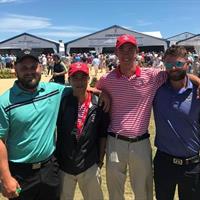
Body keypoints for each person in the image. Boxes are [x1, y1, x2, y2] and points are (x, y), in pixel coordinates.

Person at [96, 34, 167, 200]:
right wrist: (101, 92)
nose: (126, 54)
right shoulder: (107, 79)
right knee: (115, 191)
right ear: (116, 52)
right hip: (115, 141)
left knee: (143, 190)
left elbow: (178, 74)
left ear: (137, 52)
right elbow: (90, 88)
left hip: (141, 143)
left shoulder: (153, 75)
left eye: (130, 49)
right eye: (122, 50)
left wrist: (198, 82)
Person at [0, 49, 72, 200]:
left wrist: (98, 92)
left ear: (40, 68)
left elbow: (79, 89)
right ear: (15, 69)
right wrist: (6, 177)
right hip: (20, 173)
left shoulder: (53, 91)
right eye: (24, 68)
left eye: (33, 67)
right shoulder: (5, 102)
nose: (29, 72)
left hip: (49, 168)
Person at [56, 62, 109, 200]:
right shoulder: (62, 102)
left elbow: (103, 134)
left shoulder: (98, 103)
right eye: (75, 78)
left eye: (83, 78)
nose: (79, 82)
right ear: (69, 80)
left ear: (88, 79)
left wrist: (100, 160)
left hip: (89, 164)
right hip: (64, 165)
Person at [153, 45, 200, 200]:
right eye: (169, 64)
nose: (173, 68)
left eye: (179, 64)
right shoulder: (157, 89)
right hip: (164, 162)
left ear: (188, 63)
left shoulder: (197, 93)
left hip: (192, 164)